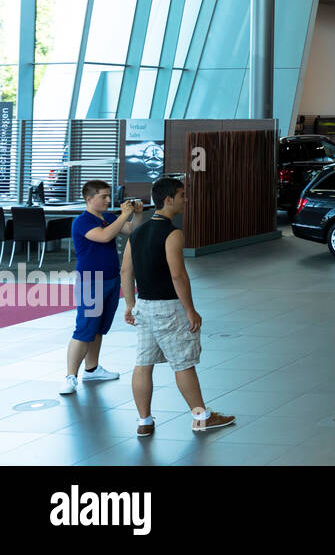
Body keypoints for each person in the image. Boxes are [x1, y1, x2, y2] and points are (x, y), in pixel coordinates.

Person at [121, 178, 234, 437]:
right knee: (183, 363)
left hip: (144, 306)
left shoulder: (137, 232)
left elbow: (126, 270)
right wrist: (190, 310)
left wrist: (130, 304)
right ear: (169, 200)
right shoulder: (172, 233)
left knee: (143, 364)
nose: (186, 199)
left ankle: (144, 421)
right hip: (169, 308)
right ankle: (201, 417)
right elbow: (178, 275)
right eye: (182, 195)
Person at [60, 181, 143, 396]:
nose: (108, 200)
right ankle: (70, 376)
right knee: (85, 328)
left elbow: (132, 230)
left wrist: (137, 214)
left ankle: (92, 369)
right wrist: (124, 215)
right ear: (89, 199)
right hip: (91, 280)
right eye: (104, 197)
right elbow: (105, 236)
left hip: (111, 278)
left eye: (109, 196)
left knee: (99, 328)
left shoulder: (109, 217)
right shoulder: (82, 221)